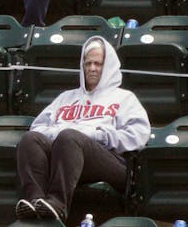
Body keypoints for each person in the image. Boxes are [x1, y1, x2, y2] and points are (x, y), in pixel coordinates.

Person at [14, 36, 151, 222]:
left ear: (108, 66)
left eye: (98, 64)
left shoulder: (124, 98)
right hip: (66, 156)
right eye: (88, 63)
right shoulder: (66, 97)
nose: (92, 68)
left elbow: (138, 136)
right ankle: (35, 201)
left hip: (110, 162)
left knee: (70, 136)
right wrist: (59, 131)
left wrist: (97, 134)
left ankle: (58, 204)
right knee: (30, 139)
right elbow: (38, 128)